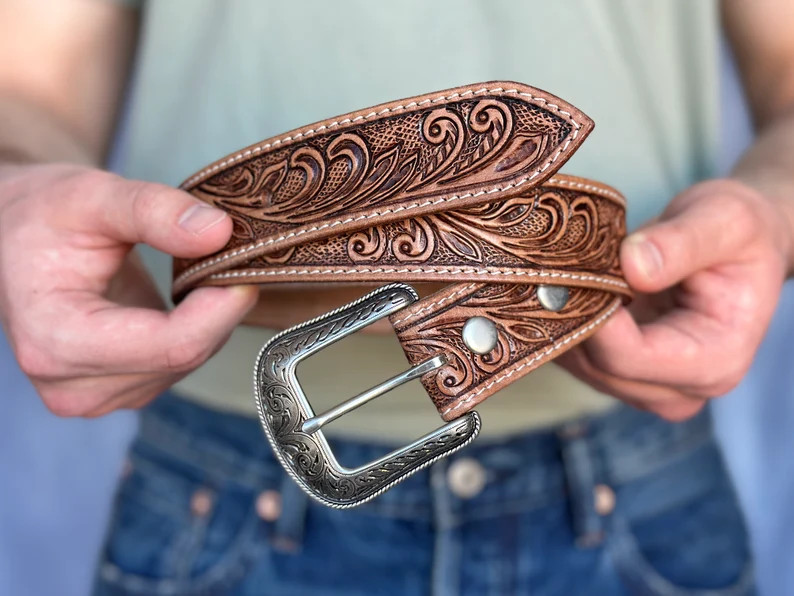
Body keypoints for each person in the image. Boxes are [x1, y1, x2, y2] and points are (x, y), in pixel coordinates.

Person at [0, 0, 789, 594]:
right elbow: (29, 82)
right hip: (223, 472)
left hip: (632, 468)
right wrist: (15, 193)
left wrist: (775, 207)